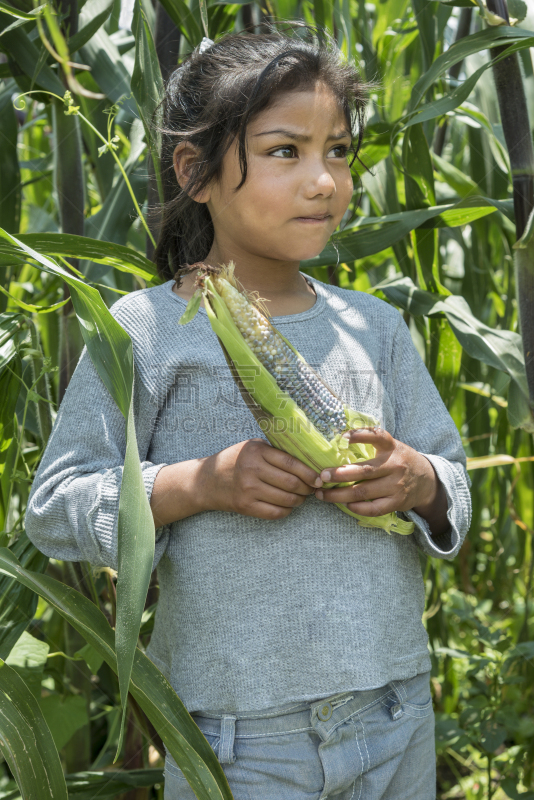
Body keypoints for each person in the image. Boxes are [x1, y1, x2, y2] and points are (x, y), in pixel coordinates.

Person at [26, 27, 472, 800]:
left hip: (395, 710)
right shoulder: (149, 330)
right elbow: (54, 507)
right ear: (195, 172)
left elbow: (454, 483)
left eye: (338, 151)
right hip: (235, 739)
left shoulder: (376, 326)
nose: (323, 180)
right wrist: (200, 483)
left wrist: (418, 481)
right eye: (284, 151)